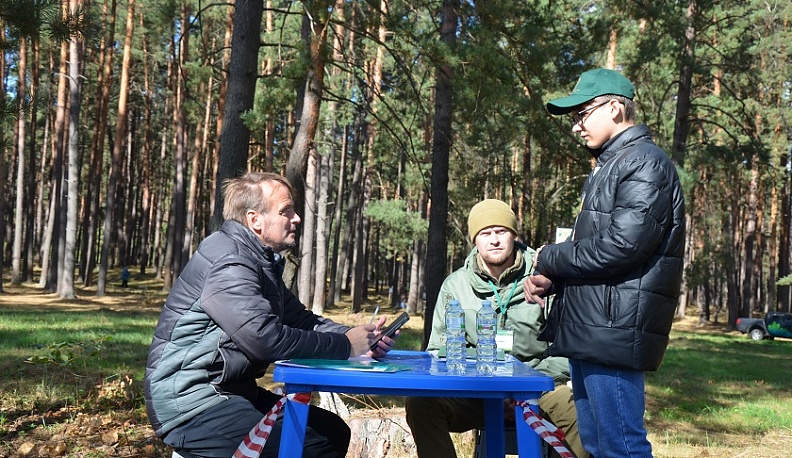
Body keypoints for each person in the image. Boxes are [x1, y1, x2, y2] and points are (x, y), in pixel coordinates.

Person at [144, 172, 396, 458]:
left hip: (231, 392)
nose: (296, 218)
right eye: (285, 211)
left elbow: (302, 321)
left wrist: (359, 338)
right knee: (314, 445)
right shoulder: (230, 261)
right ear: (255, 220)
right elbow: (264, 339)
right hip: (191, 403)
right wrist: (346, 346)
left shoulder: (257, 260)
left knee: (331, 431)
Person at [525, 68, 685, 457]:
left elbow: (622, 246)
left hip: (613, 330)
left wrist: (548, 256)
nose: (576, 126)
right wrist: (553, 278)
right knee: (597, 444)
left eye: (582, 114)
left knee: (621, 446)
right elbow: (600, 252)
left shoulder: (644, 163)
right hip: (593, 326)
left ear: (614, 108)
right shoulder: (612, 164)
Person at [405, 199, 588, 458]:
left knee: (580, 413)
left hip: (537, 388)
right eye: (485, 233)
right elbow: (439, 351)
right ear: (475, 240)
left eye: (501, 231)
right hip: (475, 391)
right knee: (421, 403)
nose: (494, 240)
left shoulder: (546, 279)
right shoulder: (456, 286)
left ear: (514, 235)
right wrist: (487, 387)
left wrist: (524, 386)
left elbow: (566, 350)